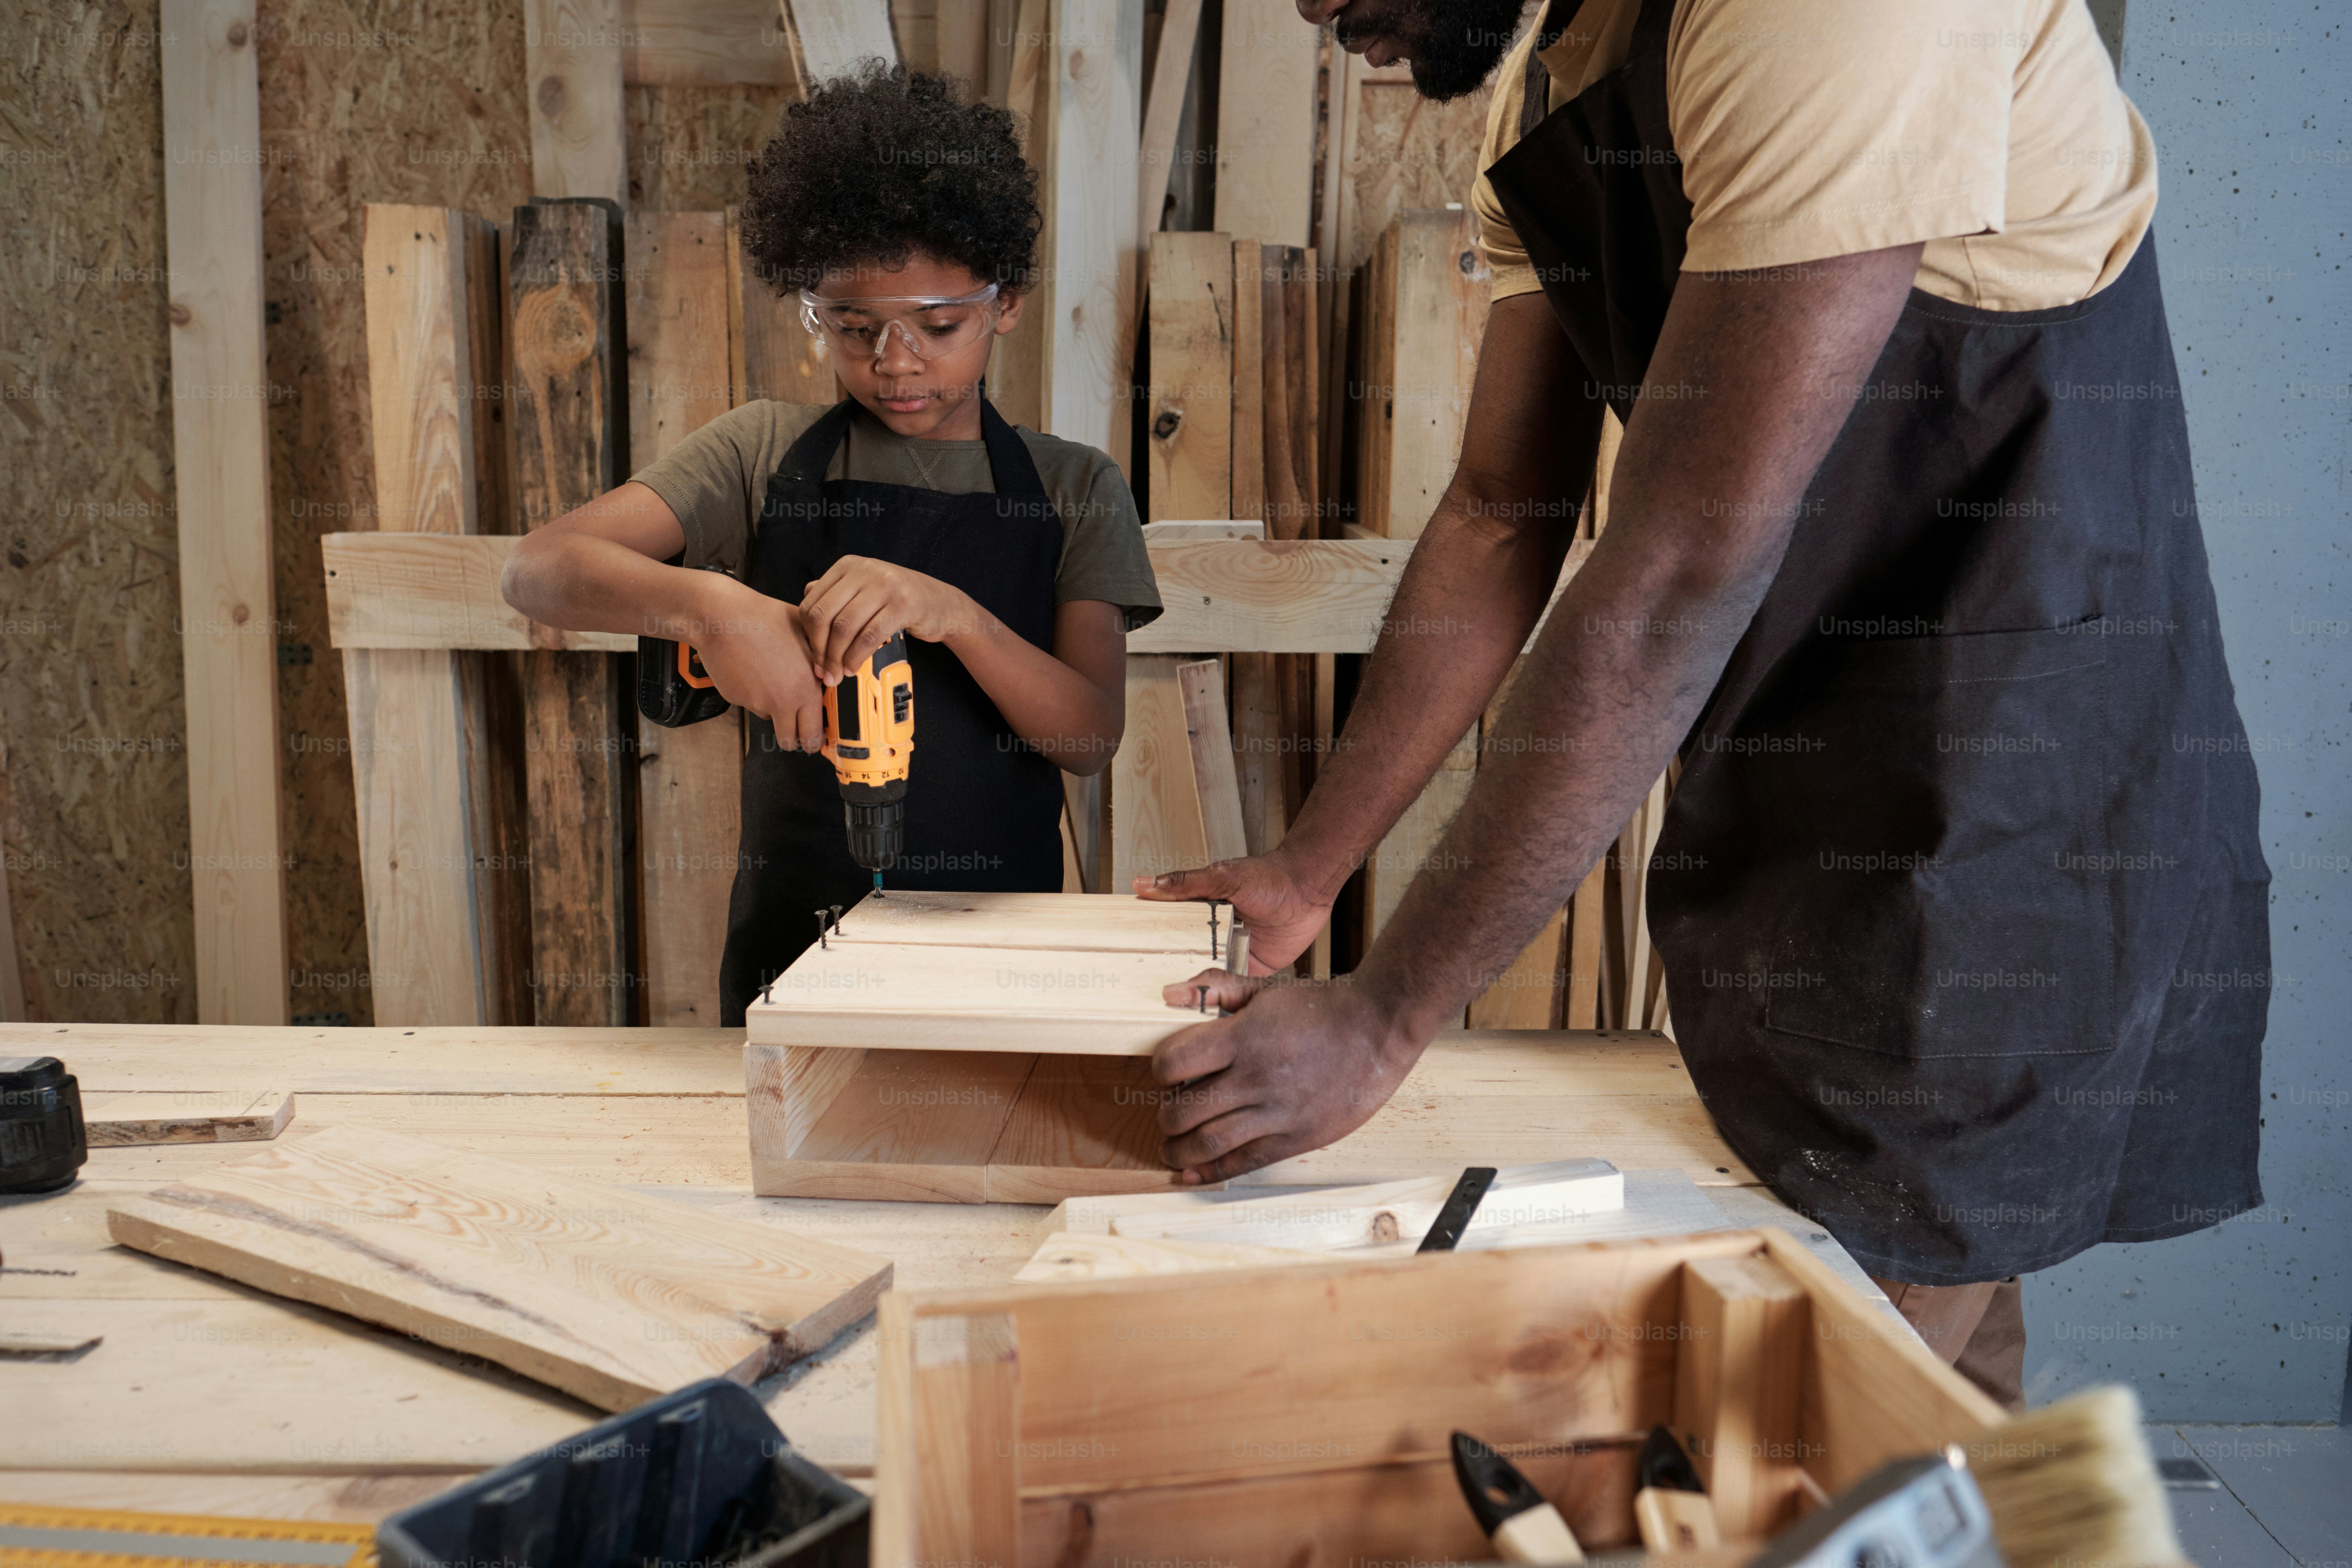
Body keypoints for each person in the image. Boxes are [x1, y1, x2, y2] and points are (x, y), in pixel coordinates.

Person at [1138, 0, 2268, 1410]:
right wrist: (1314, 869)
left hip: (2010, 819)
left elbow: (1681, 563)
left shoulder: (1829, 18)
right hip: (1817, 793)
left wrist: (1382, 1021)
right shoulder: (1565, 73)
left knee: (1797, 1442)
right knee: (1946, 1423)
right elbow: (1503, 508)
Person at [503, 66, 1161, 1026]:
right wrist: (714, 607)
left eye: (937, 327)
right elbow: (539, 569)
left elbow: (1088, 738)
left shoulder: (1073, 486)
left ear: (1006, 303)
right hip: (796, 949)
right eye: (854, 329)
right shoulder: (760, 451)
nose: (895, 362)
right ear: (814, 308)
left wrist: (956, 617)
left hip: (1008, 961)